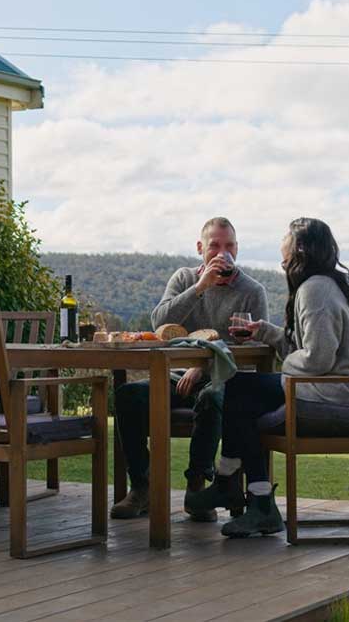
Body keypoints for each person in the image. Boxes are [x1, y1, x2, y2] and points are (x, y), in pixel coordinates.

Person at [188, 217, 349, 537]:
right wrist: (267, 332)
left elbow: (318, 358)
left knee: (241, 390)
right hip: (325, 387)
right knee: (242, 393)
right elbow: (309, 350)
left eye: (286, 238)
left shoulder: (315, 290)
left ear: (300, 248)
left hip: (336, 396)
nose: (281, 247)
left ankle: (233, 484)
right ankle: (249, 494)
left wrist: (284, 368)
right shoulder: (318, 285)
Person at [110, 217, 269, 522]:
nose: (223, 253)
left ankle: (197, 486)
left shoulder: (252, 290)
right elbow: (159, 323)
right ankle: (142, 487)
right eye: (215, 246)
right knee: (128, 396)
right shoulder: (184, 279)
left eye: (230, 246)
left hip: (225, 379)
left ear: (237, 249)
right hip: (175, 376)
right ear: (200, 248)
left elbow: (256, 350)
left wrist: (206, 365)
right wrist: (200, 287)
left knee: (212, 398)